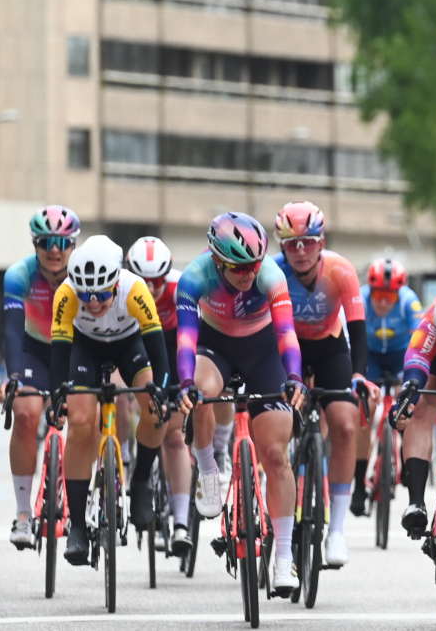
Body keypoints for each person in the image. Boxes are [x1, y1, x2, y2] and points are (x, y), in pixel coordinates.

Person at [175, 212, 307, 593]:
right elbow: (186, 340)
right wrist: (185, 383)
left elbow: (286, 332)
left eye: (253, 265)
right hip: (216, 347)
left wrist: (294, 375)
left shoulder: (271, 276)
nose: (248, 274)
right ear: (217, 259)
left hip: (263, 351)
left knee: (276, 454)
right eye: (238, 267)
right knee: (200, 390)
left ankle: (284, 557)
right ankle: (208, 470)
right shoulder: (195, 277)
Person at [49, 236, 172, 565]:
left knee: (156, 410)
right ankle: (77, 526)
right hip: (84, 348)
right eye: (86, 295)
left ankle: (142, 479)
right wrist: (57, 394)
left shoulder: (135, 289)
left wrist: (160, 389)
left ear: (115, 284)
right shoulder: (66, 294)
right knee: (78, 424)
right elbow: (60, 352)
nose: (93, 303)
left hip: (129, 345)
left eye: (102, 294)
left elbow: (158, 349)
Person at [272, 201, 378, 566]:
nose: (300, 251)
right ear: (281, 246)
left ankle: (336, 533)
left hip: (331, 346)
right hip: (288, 348)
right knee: (278, 423)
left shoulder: (341, 270)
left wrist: (359, 375)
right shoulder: (272, 273)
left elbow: (359, 331)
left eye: (308, 242)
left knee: (346, 425)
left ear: (321, 242)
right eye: (291, 244)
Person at [0, 206, 79, 549]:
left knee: (88, 415)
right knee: (26, 413)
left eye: (62, 242)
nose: (54, 250)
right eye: (46, 242)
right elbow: (13, 333)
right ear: (35, 245)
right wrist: (13, 376)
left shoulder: (84, 272)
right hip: (33, 350)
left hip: (75, 349)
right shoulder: (19, 275)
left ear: (74, 244)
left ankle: (93, 494)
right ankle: (23, 514)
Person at [126, 236, 193, 556]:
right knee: (118, 398)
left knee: (175, 436)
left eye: (157, 281)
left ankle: (181, 522)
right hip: (135, 345)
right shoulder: (122, 288)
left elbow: (189, 340)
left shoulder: (181, 287)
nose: (151, 289)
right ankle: (125, 457)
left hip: (172, 345)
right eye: (144, 282)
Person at [355, 257, 422, 514]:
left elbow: (419, 339)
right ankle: (359, 483)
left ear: (399, 294)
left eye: (390, 296)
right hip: (369, 357)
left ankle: (407, 461)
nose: (383, 302)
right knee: (365, 408)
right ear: (370, 291)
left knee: (407, 402)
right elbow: (350, 339)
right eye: (379, 295)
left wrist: (406, 379)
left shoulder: (408, 302)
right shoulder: (359, 301)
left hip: (400, 358)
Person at [393, 284, 436, 538]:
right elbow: (415, 362)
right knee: (420, 406)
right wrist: (405, 400)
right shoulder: (431, 320)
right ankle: (416, 502)